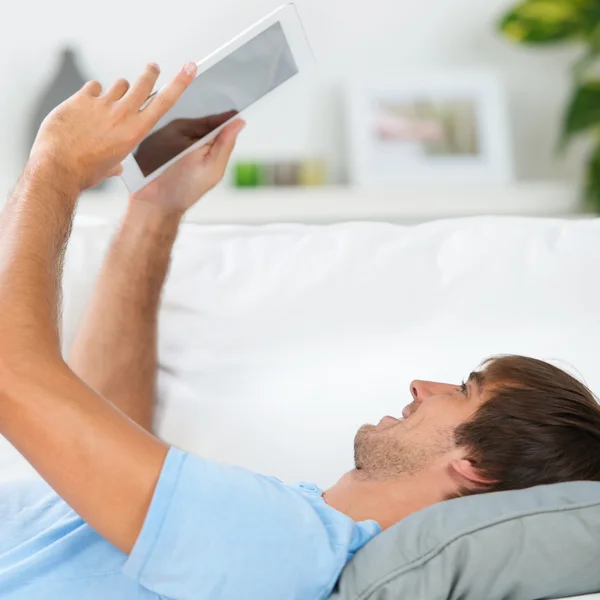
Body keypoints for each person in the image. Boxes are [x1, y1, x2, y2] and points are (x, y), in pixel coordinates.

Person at [1, 63, 600, 600]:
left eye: (466, 391)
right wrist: (155, 211)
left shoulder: (291, 546)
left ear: (480, 468)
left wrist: (56, 161)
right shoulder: (292, 528)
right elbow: (92, 449)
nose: (423, 385)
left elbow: (13, 377)